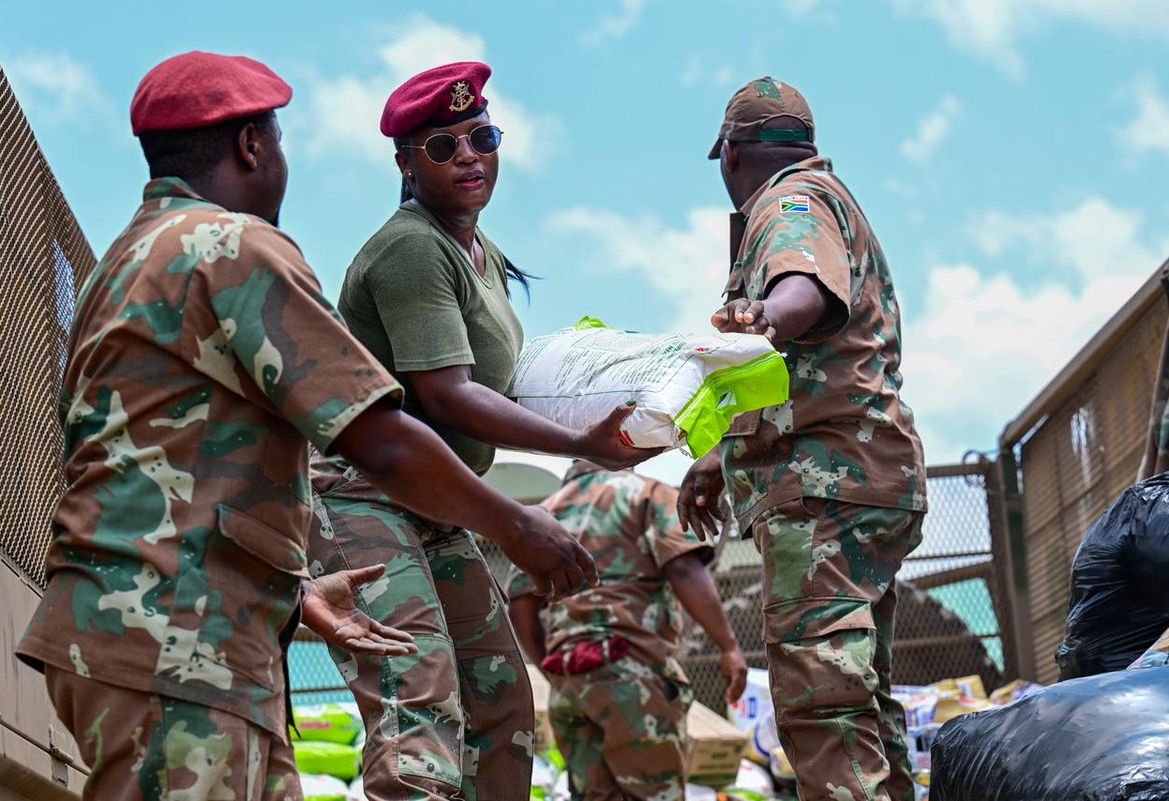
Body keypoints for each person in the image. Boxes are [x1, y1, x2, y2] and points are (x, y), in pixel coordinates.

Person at [15, 51, 596, 801]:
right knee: (422, 723)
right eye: (280, 140)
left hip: (169, 625)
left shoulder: (123, 265)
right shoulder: (232, 247)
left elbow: (154, 457)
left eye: (482, 138)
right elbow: (379, 439)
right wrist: (519, 526)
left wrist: (295, 587)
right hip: (179, 637)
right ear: (253, 146)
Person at [306, 61, 659, 801]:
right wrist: (582, 444)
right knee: (419, 700)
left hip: (434, 498)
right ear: (406, 162)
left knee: (503, 704)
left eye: (481, 136)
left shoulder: (481, 252)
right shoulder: (411, 249)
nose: (469, 155)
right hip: (366, 496)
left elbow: (501, 379)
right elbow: (451, 394)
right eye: (443, 146)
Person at [678, 77, 928, 801]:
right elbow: (803, 373)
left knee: (822, 704)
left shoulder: (791, 202)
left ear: (730, 154)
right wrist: (721, 454)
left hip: (828, 487)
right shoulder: (824, 195)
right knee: (858, 699)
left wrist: (764, 315)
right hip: (861, 474)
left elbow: (804, 290)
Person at [507, 461, 748, 801]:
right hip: (631, 675)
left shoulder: (544, 517)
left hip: (568, 677)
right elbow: (683, 569)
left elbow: (520, 606)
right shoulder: (645, 494)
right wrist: (728, 647)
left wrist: (555, 672)